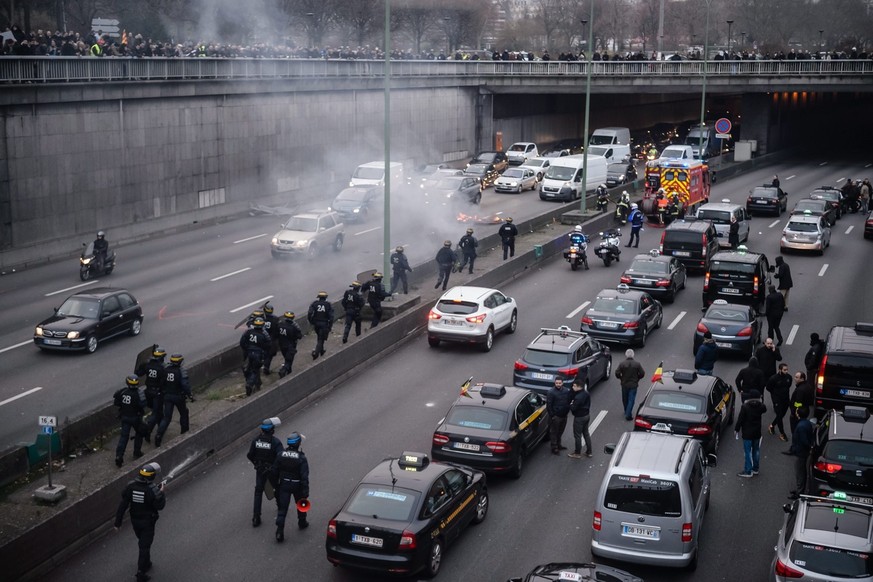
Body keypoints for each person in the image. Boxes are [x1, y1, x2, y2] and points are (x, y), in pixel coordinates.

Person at [114, 462, 166, 582]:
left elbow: (123, 505)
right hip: (148, 523)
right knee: (144, 547)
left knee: (143, 543)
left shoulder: (130, 486)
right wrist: (161, 493)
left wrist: (118, 523)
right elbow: (160, 506)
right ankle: (140, 573)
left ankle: (146, 563)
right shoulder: (152, 490)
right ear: (152, 477)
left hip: (135, 522)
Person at [272, 432, 310, 541]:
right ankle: (302, 522)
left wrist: (276, 485)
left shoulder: (280, 455)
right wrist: (305, 491)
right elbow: (304, 477)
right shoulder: (301, 458)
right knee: (301, 503)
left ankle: (279, 531)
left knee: (282, 508)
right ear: (298, 443)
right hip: (297, 485)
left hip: (284, 485)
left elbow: (274, 471)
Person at [247, 418, 283, 527]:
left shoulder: (256, 441)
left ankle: (256, 517)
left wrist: (256, 464)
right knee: (276, 487)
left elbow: (249, 455)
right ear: (272, 430)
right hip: (272, 471)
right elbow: (281, 457)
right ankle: (281, 507)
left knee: (258, 492)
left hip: (260, 471)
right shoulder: (275, 442)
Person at [154, 354, 191, 447]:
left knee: (167, 417)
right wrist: (189, 395)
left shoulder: (166, 370)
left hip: (167, 397)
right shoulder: (181, 371)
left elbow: (161, 383)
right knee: (184, 413)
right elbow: (185, 385)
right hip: (178, 396)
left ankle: (159, 435)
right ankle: (184, 431)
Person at [113, 375, 147, 467]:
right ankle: (137, 452)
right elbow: (143, 404)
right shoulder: (139, 393)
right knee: (139, 433)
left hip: (125, 417)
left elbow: (116, 401)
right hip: (135, 418)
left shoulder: (123, 392)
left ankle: (119, 456)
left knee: (123, 437)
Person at [136, 346, 166, 442]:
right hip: (157, 393)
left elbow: (138, 373)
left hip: (148, 391)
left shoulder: (147, 365)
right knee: (155, 413)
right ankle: (147, 431)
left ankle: (161, 428)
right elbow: (164, 382)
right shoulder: (162, 368)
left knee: (159, 412)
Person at [735, 390, 767, 478]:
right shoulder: (761, 407)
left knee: (747, 452)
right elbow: (765, 408)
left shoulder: (745, 407)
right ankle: (755, 468)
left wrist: (737, 429)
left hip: (747, 433)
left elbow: (740, 419)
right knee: (756, 450)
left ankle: (748, 471)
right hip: (757, 432)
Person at [786, 407, 814, 499]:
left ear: (799, 414)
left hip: (801, 453)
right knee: (802, 472)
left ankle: (800, 492)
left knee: (800, 473)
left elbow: (804, 441)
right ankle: (800, 490)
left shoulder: (801, 426)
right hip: (802, 452)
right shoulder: (807, 423)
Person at [240, 317, 271, 396]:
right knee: (255, 370)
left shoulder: (248, 332)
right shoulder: (264, 334)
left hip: (249, 353)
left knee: (247, 368)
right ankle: (250, 384)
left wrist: (247, 350)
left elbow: (242, 342)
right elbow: (268, 346)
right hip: (258, 355)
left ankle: (252, 382)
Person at [615, 349, 645, 420]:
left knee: (625, 399)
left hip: (624, 384)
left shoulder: (622, 364)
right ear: (633, 355)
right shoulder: (637, 364)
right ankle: (628, 413)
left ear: (626, 355)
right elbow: (642, 373)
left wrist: (621, 378)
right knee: (631, 399)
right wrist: (637, 378)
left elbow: (617, 373)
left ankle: (626, 411)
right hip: (633, 385)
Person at [766, 363, 792, 442]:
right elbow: (768, 387)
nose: (786, 371)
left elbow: (788, 386)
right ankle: (782, 433)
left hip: (786, 399)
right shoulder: (773, 378)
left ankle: (772, 426)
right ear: (780, 370)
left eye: (787, 370)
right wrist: (775, 394)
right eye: (784, 370)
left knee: (781, 415)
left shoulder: (789, 377)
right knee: (779, 415)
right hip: (777, 400)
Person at [567, 376, 592, 459]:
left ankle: (577, 452)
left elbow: (573, 408)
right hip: (586, 415)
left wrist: (570, 404)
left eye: (574, 386)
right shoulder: (586, 393)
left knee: (577, 435)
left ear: (578, 387)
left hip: (579, 418)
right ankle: (589, 451)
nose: (573, 387)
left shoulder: (578, 397)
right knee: (586, 433)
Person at [546, 378, 572, 454]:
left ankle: (559, 444)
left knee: (560, 431)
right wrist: (552, 416)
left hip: (564, 415)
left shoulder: (566, 391)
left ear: (562, 383)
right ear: (554, 383)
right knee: (554, 432)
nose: (558, 384)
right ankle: (554, 447)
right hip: (556, 417)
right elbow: (549, 405)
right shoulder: (551, 392)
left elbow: (568, 401)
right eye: (557, 383)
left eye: (559, 383)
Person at [307, 291, 334, 359]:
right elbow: (331, 317)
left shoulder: (314, 304)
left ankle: (321, 350)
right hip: (324, 324)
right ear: (325, 297)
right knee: (321, 339)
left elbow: (310, 313)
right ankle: (316, 353)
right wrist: (330, 326)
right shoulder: (328, 305)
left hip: (316, 324)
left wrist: (311, 321)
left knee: (319, 337)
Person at [276, 311, 303, 378]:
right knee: (289, 360)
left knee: (287, 358)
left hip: (282, 345)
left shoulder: (280, 324)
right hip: (290, 346)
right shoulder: (293, 327)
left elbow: (276, 334)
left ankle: (289, 371)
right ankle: (283, 370)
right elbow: (299, 336)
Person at [789, 371, 814, 437]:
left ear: (802, 379)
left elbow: (797, 403)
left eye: (797, 377)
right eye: (795, 377)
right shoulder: (808, 386)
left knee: (795, 431)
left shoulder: (800, 390)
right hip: (805, 410)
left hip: (798, 413)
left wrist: (793, 412)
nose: (795, 378)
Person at [261, 303, 280, 375]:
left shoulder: (261, 319)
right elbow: (277, 330)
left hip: (262, 340)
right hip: (272, 340)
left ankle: (264, 365)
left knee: (264, 354)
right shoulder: (275, 319)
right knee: (269, 355)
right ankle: (266, 367)